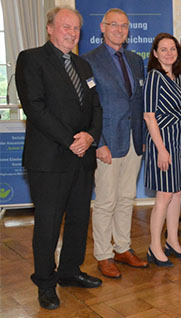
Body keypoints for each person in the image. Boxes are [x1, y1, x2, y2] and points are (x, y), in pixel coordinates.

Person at [15, 6, 103, 309]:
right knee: (49, 223)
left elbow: (96, 107)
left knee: (79, 220)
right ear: (50, 28)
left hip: (82, 158)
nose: (72, 33)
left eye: (76, 28)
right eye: (66, 27)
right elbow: (35, 108)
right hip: (50, 160)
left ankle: (69, 272)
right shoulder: (31, 59)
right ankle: (45, 281)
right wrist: (71, 141)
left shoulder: (83, 65)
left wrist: (90, 136)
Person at [83, 8, 148, 279]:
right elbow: (88, 106)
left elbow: (140, 101)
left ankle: (122, 247)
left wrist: (143, 137)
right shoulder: (88, 61)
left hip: (133, 141)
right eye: (114, 25)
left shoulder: (135, 59)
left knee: (126, 199)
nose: (119, 29)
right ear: (102, 27)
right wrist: (99, 142)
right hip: (107, 142)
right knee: (106, 201)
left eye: (124, 25)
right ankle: (103, 255)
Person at [143, 33, 181, 267]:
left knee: (176, 194)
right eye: (163, 49)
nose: (169, 53)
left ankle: (172, 242)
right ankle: (155, 246)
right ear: (155, 53)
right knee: (164, 196)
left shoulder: (178, 77)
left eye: (172, 49)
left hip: (180, 143)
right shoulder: (155, 77)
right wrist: (162, 150)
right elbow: (149, 115)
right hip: (162, 143)